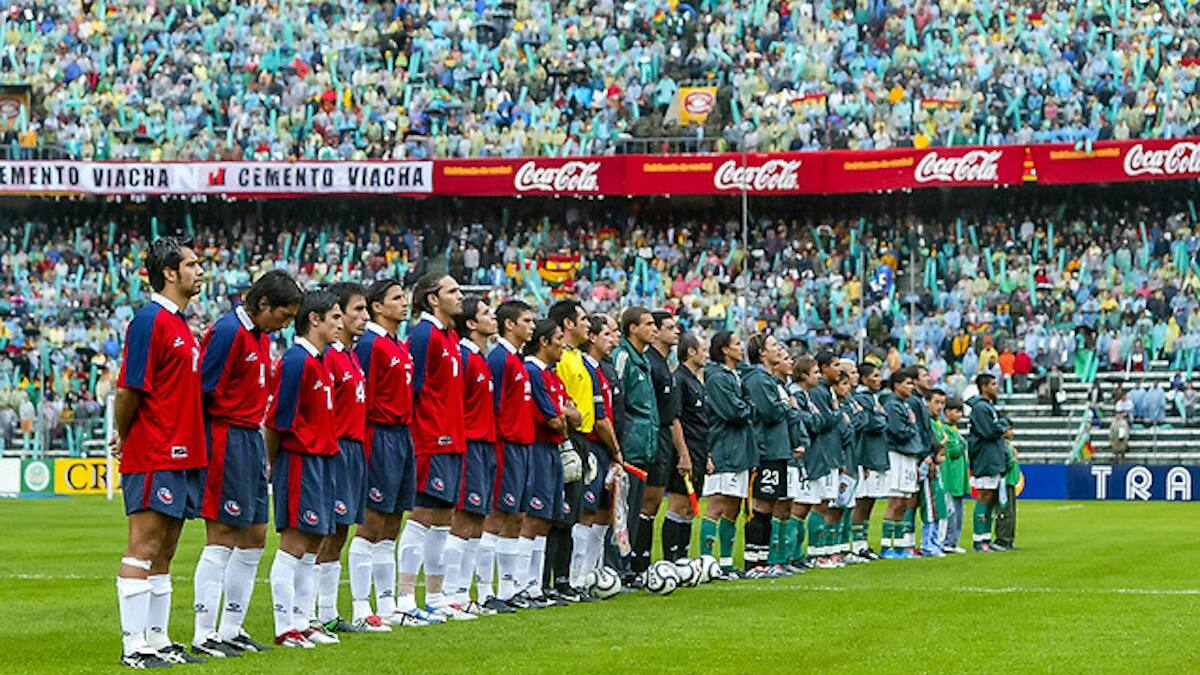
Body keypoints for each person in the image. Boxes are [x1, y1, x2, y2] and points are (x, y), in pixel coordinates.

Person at [192, 270, 302, 657]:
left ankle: (231, 628)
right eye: (283, 316)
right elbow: (204, 391)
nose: (285, 325)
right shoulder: (228, 332)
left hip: (251, 437)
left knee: (255, 536)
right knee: (222, 535)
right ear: (264, 304)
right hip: (226, 437)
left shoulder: (259, 335)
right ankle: (204, 633)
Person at [114, 237, 208, 668]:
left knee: (166, 550)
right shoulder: (149, 320)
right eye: (191, 264)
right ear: (169, 273)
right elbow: (129, 389)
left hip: (185, 452)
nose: (199, 271)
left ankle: (158, 638)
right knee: (144, 545)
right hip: (156, 449)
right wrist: (124, 434)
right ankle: (134, 646)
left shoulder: (179, 323)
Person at [264, 290, 343, 648]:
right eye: (335, 317)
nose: (340, 324)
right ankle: (285, 627)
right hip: (300, 460)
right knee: (294, 544)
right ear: (314, 319)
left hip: (323, 459)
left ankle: (302, 620)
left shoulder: (320, 361)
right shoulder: (296, 361)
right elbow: (277, 421)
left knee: (313, 544)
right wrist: (272, 464)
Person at [395, 273, 469, 622]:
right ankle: (405, 597)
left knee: (443, 519)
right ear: (432, 299)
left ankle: (436, 596)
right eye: (452, 291)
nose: (460, 296)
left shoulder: (449, 335)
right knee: (423, 516)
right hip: (430, 440)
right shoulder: (423, 335)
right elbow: (412, 390)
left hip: (453, 439)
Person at [316, 282, 380, 633]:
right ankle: (309, 612)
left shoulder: (352, 356)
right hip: (336, 449)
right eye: (358, 309)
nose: (365, 317)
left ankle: (327, 612)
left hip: (355, 450)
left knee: (340, 532)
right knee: (323, 532)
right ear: (338, 315)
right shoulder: (327, 357)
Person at [351, 279, 416, 627]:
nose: (404, 303)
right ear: (378, 306)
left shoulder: (398, 345)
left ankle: (388, 604)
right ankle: (361, 607)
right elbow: (363, 397)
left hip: (402, 436)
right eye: (396, 298)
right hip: (379, 435)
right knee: (372, 522)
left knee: (392, 523)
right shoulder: (370, 345)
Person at [442, 296, 502, 616]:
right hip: (469, 446)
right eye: (486, 313)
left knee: (477, 521)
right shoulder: (464, 358)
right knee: (463, 520)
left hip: (485, 446)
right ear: (470, 323)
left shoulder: (481, 358)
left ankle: (464, 594)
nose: (493, 317)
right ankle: (450, 593)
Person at [480, 300, 539, 610]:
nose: (532, 326)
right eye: (526, 321)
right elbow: (493, 407)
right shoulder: (499, 360)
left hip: (523, 446)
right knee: (497, 515)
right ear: (509, 325)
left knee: (517, 516)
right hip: (505, 446)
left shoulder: (517, 359)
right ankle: (484, 591)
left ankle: (507, 589)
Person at [520, 319, 581, 605]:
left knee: (544, 520)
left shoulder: (552, 375)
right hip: (538, 449)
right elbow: (555, 420)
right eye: (559, 338)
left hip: (552, 451)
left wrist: (564, 415)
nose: (564, 344)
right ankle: (522, 585)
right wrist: (564, 415)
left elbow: (576, 416)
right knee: (532, 520)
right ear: (544, 342)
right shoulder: (533, 372)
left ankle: (536, 587)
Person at [547, 299, 598, 601]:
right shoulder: (561, 359)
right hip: (566, 438)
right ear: (568, 323)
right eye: (583, 319)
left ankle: (563, 581)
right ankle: (547, 582)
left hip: (582, 439)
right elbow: (559, 402)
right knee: (558, 514)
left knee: (572, 514)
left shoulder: (577, 356)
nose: (588, 324)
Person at [699, 331, 754, 579]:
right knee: (717, 504)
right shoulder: (716, 378)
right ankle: (706, 562)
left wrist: (746, 406)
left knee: (733, 506)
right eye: (737, 343)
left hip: (739, 449)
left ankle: (726, 563)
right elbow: (734, 412)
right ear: (724, 349)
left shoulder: (735, 374)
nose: (741, 347)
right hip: (723, 447)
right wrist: (748, 407)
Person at [610, 307, 659, 586]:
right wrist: (619, 442)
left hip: (643, 447)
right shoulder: (624, 357)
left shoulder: (644, 360)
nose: (654, 329)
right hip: (628, 446)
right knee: (620, 511)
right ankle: (614, 569)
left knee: (633, 511)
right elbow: (617, 400)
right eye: (648, 324)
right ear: (632, 328)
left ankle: (625, 568)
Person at [573, 314, 623, 587]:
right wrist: (616, 451)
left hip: (604, 449)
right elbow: (600, 420)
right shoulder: (586, 369)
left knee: (603, 512)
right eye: (607, 335)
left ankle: (590, 573)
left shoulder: (602, 370)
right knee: (587, 511)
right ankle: (576, 577)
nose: (613, 340)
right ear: (591, 337)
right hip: (593, 446)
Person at [637, 311, 688, 575]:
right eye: (670, 327)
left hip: (665, 439)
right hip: (653, 438)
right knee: (648, 502)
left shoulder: (664, 365)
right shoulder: (651, 364)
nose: (676, 331)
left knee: (654, 504)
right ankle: (637, 565)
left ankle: (644, 564)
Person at [741, 333, 793, 577]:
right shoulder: (758, 379)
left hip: (776, 450)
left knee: (769, 505)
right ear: (761, 352)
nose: (779, 348)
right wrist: (786, 405)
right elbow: (770, 412)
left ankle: (763, 560)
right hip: (765, 451)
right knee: (760, 505)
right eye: (773, 345)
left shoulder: (769, 379)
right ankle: (752, 563)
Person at [672, 331, 709, 562]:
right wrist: (683, 454)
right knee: (678, 505)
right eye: (703, 350)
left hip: (699, 450)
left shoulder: (696, 381)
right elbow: (675, 420)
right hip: (686, 451)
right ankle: (671, 560)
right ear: (691, 352)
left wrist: (707, 455)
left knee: (689, 508)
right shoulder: (680, 379)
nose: (706, 355)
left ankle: (683, 558)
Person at [807, 351, 844, 568]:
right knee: (819, 504)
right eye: (835, 365)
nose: (839, 369)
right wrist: (837, 413)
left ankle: (823, 552)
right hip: (823, 453)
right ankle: (816, 553)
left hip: (831, 453)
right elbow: (823, 421)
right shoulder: (819, 392)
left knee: (827, 503)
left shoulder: (827, 390)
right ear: (824, 368)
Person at [967, 373, 1011, 553]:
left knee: (991, 499)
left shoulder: (988, 406)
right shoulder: (980, 408)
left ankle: (986, 538)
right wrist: (1002, 425)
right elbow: (989, 432)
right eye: (993, 384)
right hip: (985, 458)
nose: (996, 387)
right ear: (984, 387)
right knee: (984, 496)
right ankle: (978, 541)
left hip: (992, 457)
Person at [881, 368, 922, 559]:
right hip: (897, 454)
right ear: (897, 385)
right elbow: (898, 431)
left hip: (908, 455)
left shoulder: (904, 405)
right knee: (895, 501)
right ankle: (886, 545)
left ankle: (899, 546)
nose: (911, 387)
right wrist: (912, 425)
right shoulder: (892, 405)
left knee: (905, 501)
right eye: (908, 383)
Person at [850, 362, 887, 560]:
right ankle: (856, 545)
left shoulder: (873, 398)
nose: (879, 379)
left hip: (875, 455)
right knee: (861, 502)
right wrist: (880, 416)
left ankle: (863, 542)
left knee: (869, 501)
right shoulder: (862, 399)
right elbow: (873, 423)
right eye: (875, 375)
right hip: (865, 455)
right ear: (864, 379)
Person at [787, 356, 822, 568]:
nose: (819, 376)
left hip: (808, 456)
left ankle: (797, 554)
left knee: (805, 506)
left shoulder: (806, 396)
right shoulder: (797, 394)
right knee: (797, 507)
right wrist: (816, 417)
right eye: (815, 372)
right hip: (799, 457)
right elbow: (812, 422)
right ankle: (790, 555)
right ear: (803, 375)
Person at [919, 389, 948, 558]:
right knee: (930, 512)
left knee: (939, 510)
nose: (940, 406)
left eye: (943, 403)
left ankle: (936, 543)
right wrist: (940, 445)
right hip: (927, 475)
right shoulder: (926, 423)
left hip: (937, 475)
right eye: (936, 402)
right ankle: (927, 545)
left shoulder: (939, 424)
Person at [938, 397, 969, 554]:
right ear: (947, 412)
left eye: (960, 411)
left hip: (958, 477)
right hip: (950, 477)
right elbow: (954, 451)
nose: (959, 415)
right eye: (956, 411)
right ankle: (947, 541)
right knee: (951, 511)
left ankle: (953, 541)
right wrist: (962, 445)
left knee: (958, 511)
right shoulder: (945, 430)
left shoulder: (954, 430)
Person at [993, 440, 1021, 550]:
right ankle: (1002, 540)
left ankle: (1009, 540)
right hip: (1004, 482)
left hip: (1010, 482)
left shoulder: (1007, 445)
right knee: (1005, 512)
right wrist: (1013, 459)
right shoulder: (1001, 445)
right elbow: (1004, 465)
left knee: (1011, 513)